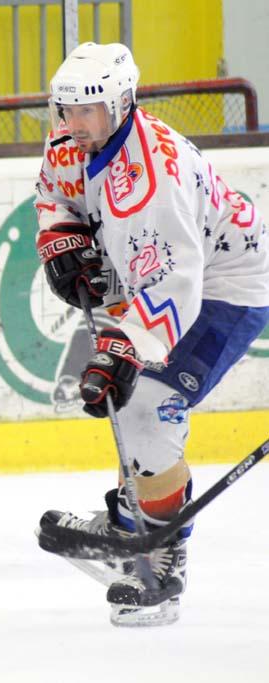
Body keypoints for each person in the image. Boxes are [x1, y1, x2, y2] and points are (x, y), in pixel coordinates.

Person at [34, 42, 269, 627]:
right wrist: (61, 237)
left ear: (123, 103)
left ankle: (161, 562)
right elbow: (56, 195)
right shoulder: (72, 139)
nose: (76, 124)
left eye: (89, 111)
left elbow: (176, 281)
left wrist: (125, 347)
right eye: (67, 110)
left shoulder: (151, 178)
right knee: (131, 400)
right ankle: (131, 521)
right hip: (162, 276)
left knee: (146, 404)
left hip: (227, 285)